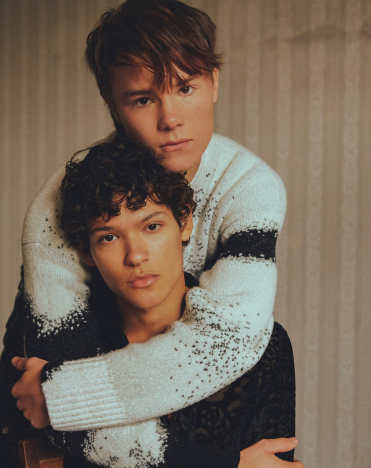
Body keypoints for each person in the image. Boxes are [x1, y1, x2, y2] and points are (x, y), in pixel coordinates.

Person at [0, 0, 303, 468]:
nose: (171, 120)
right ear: (112, 103)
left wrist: (65, 397)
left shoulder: (250, 189)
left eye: (185, 88)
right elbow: (55, 409)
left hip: (171, 415)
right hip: (27, 436)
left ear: (214, 82)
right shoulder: (56, 206)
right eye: (144, 99)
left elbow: (225, 343)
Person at [24, 139, 296, 467]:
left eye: (151, 226)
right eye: (109, 237)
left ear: (184, 223)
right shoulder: (72, 350)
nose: (135, 256)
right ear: (87, 252)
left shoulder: (264, 346)